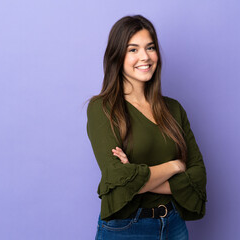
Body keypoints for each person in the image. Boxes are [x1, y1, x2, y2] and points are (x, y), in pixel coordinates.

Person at [86, 15, 207, 240]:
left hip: (174, 226)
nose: (145, 56)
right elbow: (118, 181)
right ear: (117, 56)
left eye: (150, 47)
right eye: (133, 49)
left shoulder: (173, 108)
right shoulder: (102, 108)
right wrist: (175, 165)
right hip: (126, 229)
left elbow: (198, 176)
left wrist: (138, 179)